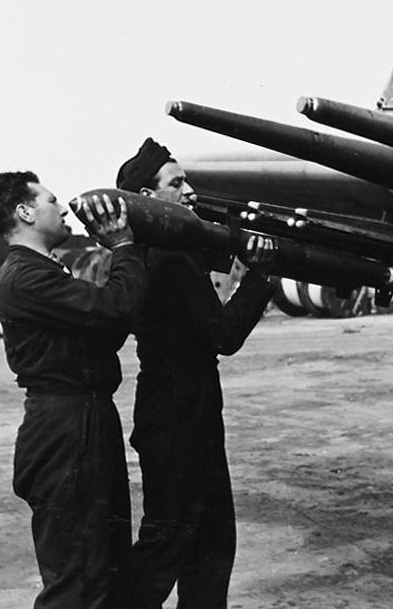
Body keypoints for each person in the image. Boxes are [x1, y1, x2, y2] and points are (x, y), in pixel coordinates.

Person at [0, 172, 146, 609]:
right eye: (50, 200)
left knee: (105, 566)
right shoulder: (27, 277)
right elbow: (113, 308)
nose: (63, 207)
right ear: (26, 212)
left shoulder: (44, 271)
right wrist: (124, 247)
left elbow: (106, 330)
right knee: (78, 579)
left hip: (80, 419)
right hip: (67, 428)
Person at [115, 138, 276, 609]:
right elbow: (222, 335)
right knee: (171, 543)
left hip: (184, 414)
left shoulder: (159, 252)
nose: (190, 191)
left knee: (210, 544)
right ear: (148, 197)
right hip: (178, 419)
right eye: (177, 183)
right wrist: (261, 276)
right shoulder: (168, 261)